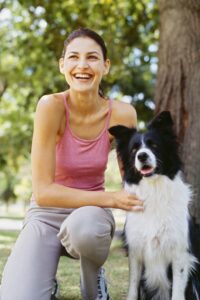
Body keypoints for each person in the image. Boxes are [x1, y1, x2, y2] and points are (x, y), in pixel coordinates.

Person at [0, 28, 143, 300]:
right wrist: (111, 198)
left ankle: (93, 283)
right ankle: (45, 280)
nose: (82, 65)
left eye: (92, 58)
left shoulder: (123, 113)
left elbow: (132, 184)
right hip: (45, 214)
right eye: (74, 57)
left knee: (85, 229)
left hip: (92, 215)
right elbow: (43, 192)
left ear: (105, 66)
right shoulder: (50, 106)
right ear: (62, 65)